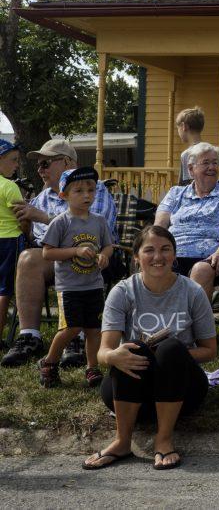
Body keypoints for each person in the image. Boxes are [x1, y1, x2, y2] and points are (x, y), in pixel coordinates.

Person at [83, 225, 217, 471]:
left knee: (170, 349)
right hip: (132, 394)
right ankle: (122, 441)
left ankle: (164, 439)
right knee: (132, 348)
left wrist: (168, 357)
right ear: (137, 258)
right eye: (149, 251)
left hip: (182, 391)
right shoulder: (122, 292)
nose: (158, 257)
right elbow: (103, 353)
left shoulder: (192, 292)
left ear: (174, 255)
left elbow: (210, 350)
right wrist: (115, 355)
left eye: (166, 249)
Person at [1, 140, 116, 368]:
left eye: (45, 163)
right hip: (56, 261)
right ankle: (30, 336)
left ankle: (78, 337)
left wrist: (43, 218)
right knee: (28, 258)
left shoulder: (93, 188)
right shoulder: (42, 197)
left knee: (75, 255)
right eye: (38, 165)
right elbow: (36, 240)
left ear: (67, 163)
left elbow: (90, 230)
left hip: (95, 259)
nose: (40, 169)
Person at [37, 168, 114, 389]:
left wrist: (104, 256)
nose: (87, 195)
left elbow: (108, 245)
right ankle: (49, 362)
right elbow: (47, 253)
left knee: (93, 329)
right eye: (79, 191)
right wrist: (75, 252)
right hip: (69, 286)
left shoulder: (99, 221)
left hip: (93, 284)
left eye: (91, 190)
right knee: (71, 328)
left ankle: (92, 368)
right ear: (64, 196)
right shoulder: (61, 222)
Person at [155, 142, 219, 300]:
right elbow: (159, 226)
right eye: (206, 163)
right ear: (191, 169)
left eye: (215, 163)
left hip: (213, 258)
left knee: (201, 270)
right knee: (153, 265)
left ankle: (198, 324)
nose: (212, 167)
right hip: (174, 255)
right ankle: (157, 321)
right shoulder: (175, 193)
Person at [0, 140, 26, 346]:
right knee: (4, 290)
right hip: (9, 241)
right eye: (13, 160)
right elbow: (23, 218)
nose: (17, 165)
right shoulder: (10, 187)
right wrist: (28, 235)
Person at [175, 107, 205, 184]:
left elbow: (185, 185)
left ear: (184, 126)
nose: (178, 132)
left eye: (178, 128)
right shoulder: (211, 151)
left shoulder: (187, 154)